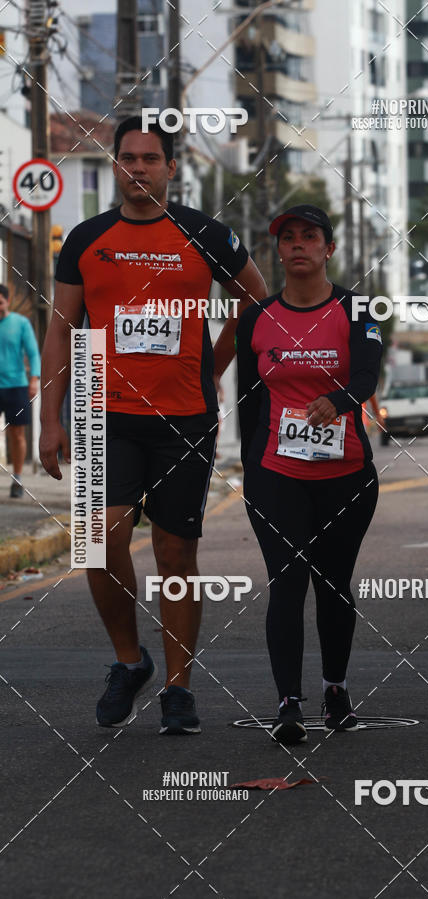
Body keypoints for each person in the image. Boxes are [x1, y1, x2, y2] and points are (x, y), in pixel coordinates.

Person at [40, 116, 266, 734]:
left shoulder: (203, 233)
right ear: (115, 165)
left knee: (175, 551)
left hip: (185, 418)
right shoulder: (85, 238)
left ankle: (177, 687)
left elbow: (255, 299)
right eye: (127, 158)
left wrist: (211, 368)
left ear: (170, 168)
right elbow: (60, 328)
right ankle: (128, 660)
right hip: (103, 412)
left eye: (150, 159)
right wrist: (49, 419)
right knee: (98, 539)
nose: (137, 168)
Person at [236, 205, 382, 744]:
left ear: (328, 249)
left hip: (345, 475)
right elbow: (250, 401)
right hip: (276, 474)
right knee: (288, 578)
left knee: (332, 583)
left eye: (310, 237)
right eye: (288, 238)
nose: (298, 245)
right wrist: (252, 467)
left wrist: (336, 400)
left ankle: (336, 689)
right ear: (278, 249)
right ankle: (288, 703)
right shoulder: (257, 317)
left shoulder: (357, 308)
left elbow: (368, 373)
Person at [0, 285, 40, 498]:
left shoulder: (20, 323)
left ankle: (17, 479)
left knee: (17, 434)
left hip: (16, 385)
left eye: (0, 303)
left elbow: (33, 354)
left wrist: (33, 379)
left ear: (7, 301)